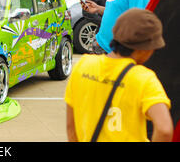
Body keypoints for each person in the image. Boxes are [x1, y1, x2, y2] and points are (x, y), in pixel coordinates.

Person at [65, 8, 173, 142]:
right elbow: (164, 130)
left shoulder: (83, 65)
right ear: (146, 48)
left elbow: (71, 126)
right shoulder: (144, 78)